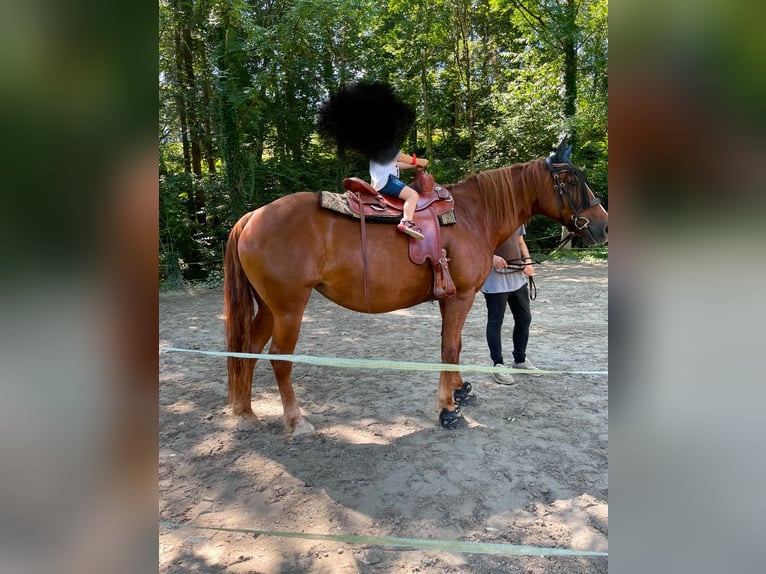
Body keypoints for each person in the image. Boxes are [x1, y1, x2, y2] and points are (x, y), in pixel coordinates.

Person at [481, 225, 541, 385]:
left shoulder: (516, 218)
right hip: (495, 280)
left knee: (524, 319)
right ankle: (498, 364)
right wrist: (491, 257)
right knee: (495, 323)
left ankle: (519, 360)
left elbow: (521, 242)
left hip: (517, 278)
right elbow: (473, 244)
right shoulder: (486, 217)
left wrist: (528, 262)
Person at [370, 151, 429, 240]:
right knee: (413, 195)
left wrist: (415, 165)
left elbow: (397, 164)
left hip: (378, 183)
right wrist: (419, 161)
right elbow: (401, 157)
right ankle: (407, 221)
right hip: (388, 180)